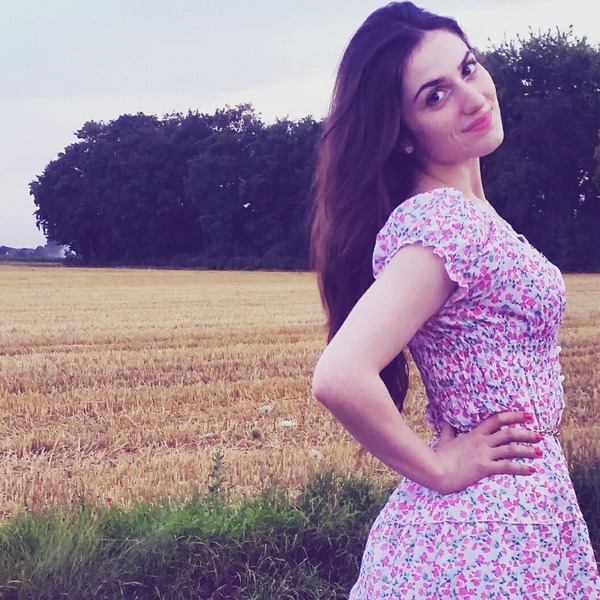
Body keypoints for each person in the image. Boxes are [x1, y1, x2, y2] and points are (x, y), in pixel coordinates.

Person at [310, 2, 600, 598]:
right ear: (402, 134)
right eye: (435, 96)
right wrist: (440, 469)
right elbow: (340, 374)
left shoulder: (469, 215)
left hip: (507, 522)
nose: (472, 98)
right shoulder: (446, 222)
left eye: (468, 68)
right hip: (485, 538)